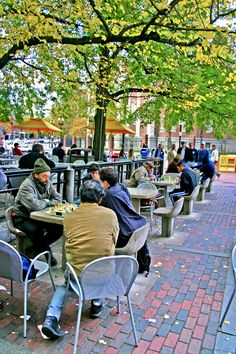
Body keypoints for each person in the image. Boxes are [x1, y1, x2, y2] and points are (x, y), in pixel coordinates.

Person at [42, 180, 119, 339]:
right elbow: (114, 240)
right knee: (101, 261)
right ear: (100, 199)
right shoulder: (110, 215)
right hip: (102, 274)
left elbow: (68, 240)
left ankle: (51, 317)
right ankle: (97, 305)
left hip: (76, 275)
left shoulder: (69, 217)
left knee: (66, 286)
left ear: (80, 197)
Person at [12, 158, 63, 264]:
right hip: (22, 217)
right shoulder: (27, 185)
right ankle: (47, 253)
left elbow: (58, 198)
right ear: (36, 175)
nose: (47, 179)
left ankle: (36, 249)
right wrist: (48, 202)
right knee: (37, 230)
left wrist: (45, 202)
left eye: (48, 176)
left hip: (39, 215)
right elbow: (35, 206)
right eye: (44, 176)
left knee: (59, 227)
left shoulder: (47, 183)